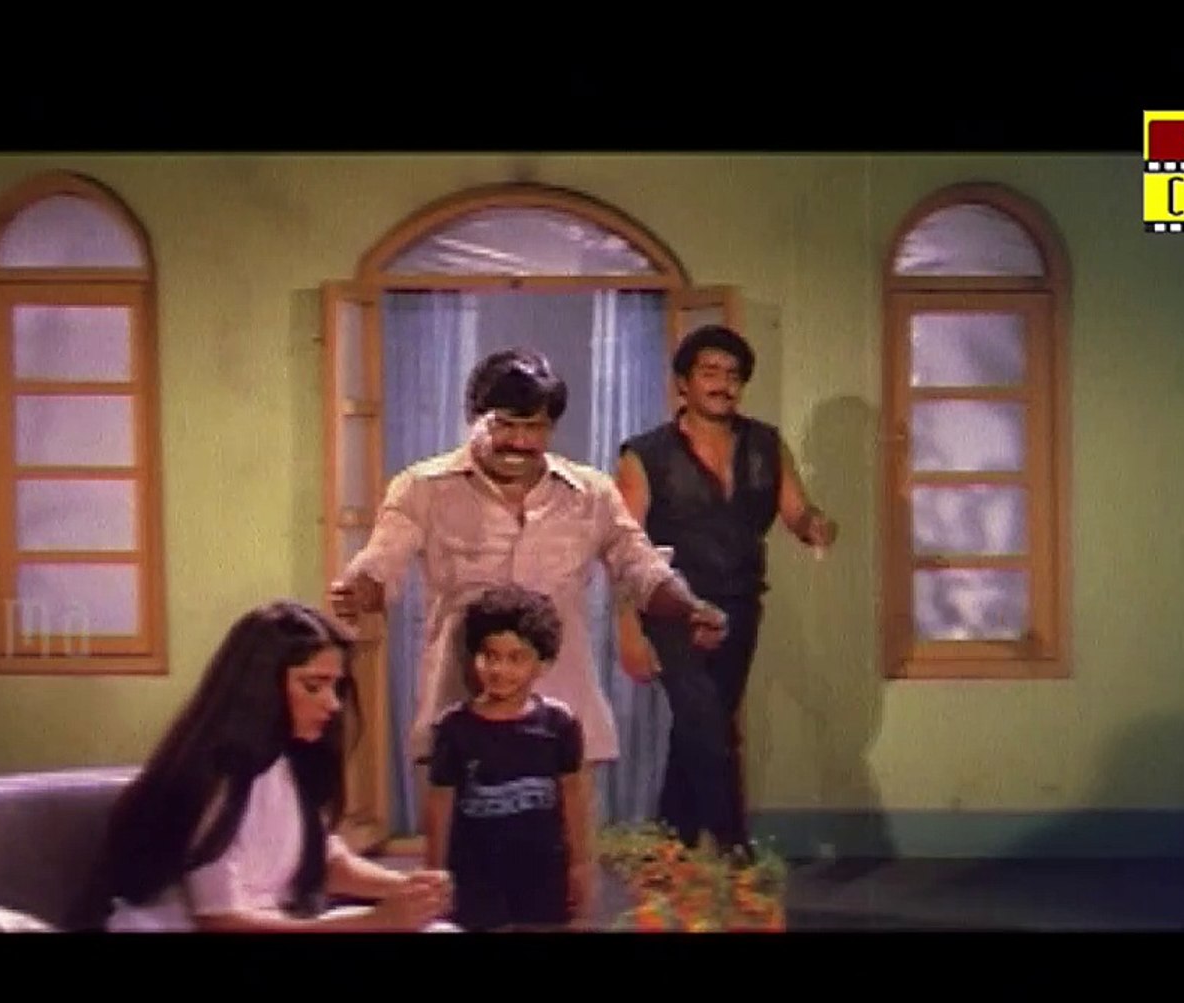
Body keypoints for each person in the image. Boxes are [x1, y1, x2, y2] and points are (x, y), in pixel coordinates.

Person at [326, 347, 730, 847]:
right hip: (461, 711)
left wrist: (688, 608)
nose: (519, 442)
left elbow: (640, 566)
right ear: (474, 417)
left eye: (535, 427)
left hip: (564, 715)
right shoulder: (421, 489)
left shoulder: (591, 494)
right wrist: (358, 590)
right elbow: (381, 560)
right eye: (505, 425)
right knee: (461, 864)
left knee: (565, 861)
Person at [98, 599, 458, 931]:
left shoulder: (293, 762)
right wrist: (374, 922)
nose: (333, 704)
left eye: (335, 687)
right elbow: (222, 921)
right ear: (261, 688)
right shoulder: (213, 780)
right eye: (313, 687)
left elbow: (323, 861)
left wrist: (408, 889)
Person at [614, 324, 837, 854]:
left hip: (739, 605)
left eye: (733, 375)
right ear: (683, 384)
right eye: (710, 372)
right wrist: (628, 632)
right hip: (671, 606)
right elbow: (622, 548)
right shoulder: (645, 455)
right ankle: (736, 853)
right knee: (709, 728)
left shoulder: (766, 444)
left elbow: (797, 511)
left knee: (698, 730)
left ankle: (671, 849)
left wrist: (817, 526)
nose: (723, 384)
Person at [425, 584, 589, 931]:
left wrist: (579, 864)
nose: (499, 669)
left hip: (542, 870)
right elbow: (440, 805)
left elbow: (573, 796)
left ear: (542, 663)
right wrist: (435, 875)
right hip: (476, 873)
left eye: (516, 658)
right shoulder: (453, 728)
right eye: (490, 656)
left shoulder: (560, 724)